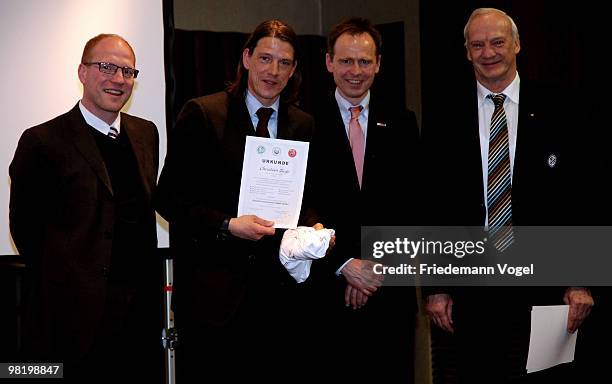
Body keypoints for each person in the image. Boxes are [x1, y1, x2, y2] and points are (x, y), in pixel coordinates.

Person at [422, 8, 594, 383]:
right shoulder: (443, 114)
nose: (488, 53)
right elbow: (433, 202)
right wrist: (436, 287)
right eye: (477, 45)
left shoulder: (561, 107)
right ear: (467, 52)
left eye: (497, 42)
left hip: (546, 280)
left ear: (517, 44)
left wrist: (581, 278)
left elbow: (582, 195)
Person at [155, 20, 316, 383]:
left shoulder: (303, 125)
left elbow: (306, 200)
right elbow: (169, 198)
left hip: (281, 301)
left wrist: (315, 226)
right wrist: (228, 225)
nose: (272, 71)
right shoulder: (203, 113)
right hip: (215, 301)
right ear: (246, 58)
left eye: (284, 63)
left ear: (294, 71)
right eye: (264, 58)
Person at [9, 34, 161, 383]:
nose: (118, 79)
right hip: (70, 317)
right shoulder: (42, 141)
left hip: (136, 314)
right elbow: (26, 230)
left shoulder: (145, 133)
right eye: (106, 67)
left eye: (127, 71)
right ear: (82, 72)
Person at [303, 17, 420, 383]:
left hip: (389, 292)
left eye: (364, 61)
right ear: (329, 63)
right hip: (325, 292)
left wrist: (373, 267)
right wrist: (346, 264)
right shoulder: (302, 122)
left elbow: (411, 203)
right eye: (346, 61)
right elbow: (299, 206)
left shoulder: (402, 121)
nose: (356, 71)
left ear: (379, 64)